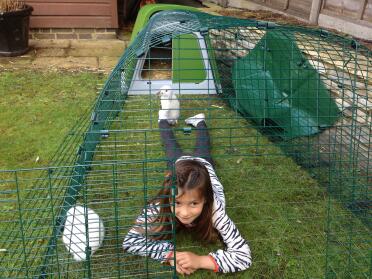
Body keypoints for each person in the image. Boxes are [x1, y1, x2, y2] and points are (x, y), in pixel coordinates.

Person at [123, 111, 252, 275]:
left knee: (203, 146)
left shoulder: (215, 209)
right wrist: (170, 255)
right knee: (170, 145)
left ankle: (200, 121)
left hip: (204, 167)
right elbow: (130, 241)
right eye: (176, 202)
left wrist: (200, 261)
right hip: (180, 165)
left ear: (205, 200)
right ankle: (163, 119)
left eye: (194, 203)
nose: (184, 213)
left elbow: (243, 257)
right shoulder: (159, 203)